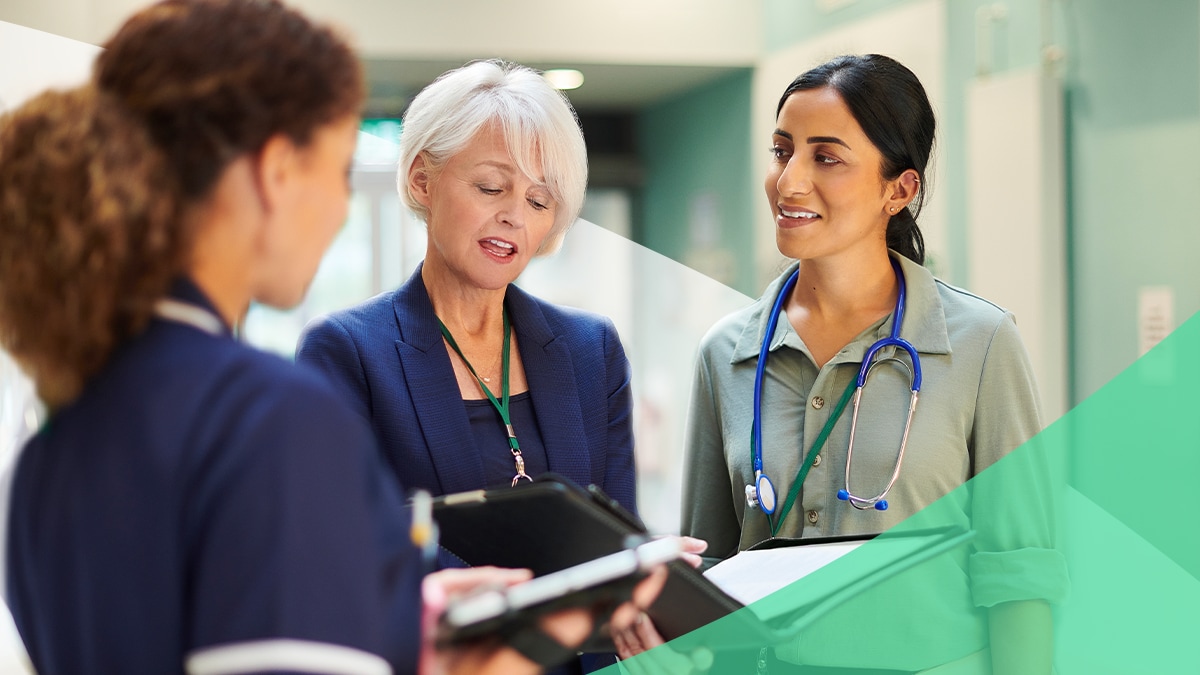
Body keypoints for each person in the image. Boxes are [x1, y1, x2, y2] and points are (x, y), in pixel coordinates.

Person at [0, 2, 661, 673]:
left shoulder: (52, 436)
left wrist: (409, 634)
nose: (343, 206)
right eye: (341, 171)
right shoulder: (269, 417)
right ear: (277, 169)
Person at [295, 59, 705, 670]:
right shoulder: (347, 352)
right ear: (421, 180)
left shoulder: (591, 350)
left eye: (541, 200)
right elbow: (343, 557)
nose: (516, 214)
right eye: (491, 187)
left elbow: (617, 544)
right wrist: (564, 594)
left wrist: (647, 581)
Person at [680, 54, 1067, 674]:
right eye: (782, 152)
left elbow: (1018, 572)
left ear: (900, 189)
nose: (790, 181)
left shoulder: (980, 344)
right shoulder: (725, 353)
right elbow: (708, 571)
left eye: (825, 157)